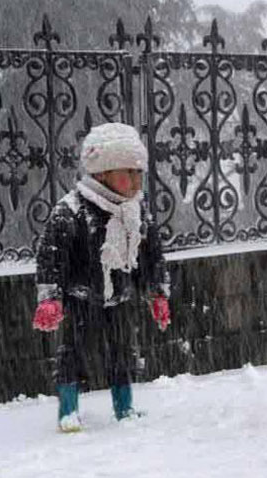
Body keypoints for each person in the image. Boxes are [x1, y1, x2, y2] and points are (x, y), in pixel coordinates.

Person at [31, 122, 171, 432]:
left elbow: (151, 255)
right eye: (127, 172)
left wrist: (156, 292)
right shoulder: (71, 211)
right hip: (81, 296)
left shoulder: (135, 211)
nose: (135, 181)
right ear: (102, 173)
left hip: (119, 296)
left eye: (139, 173)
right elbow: (51, 257)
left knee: (122, 351)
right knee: (73, 352)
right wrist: (50, 298)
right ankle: (68, 409)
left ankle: (124, 405)